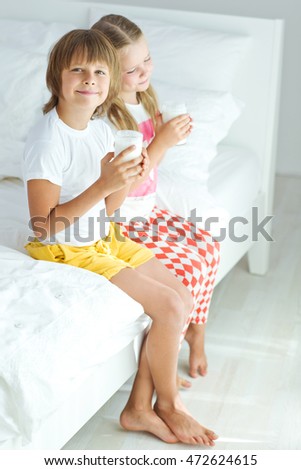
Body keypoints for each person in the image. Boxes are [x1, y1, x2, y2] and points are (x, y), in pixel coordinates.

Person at [23, 29, 218, 446]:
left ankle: (137, 408)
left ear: (109, 82)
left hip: (101, 234)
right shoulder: (47, 139)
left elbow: (110, 209)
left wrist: (127, 175)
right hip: (64, 247)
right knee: (167, 306)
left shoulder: (97, 129)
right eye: (77, 69)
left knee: (181, 294)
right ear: (56, 76)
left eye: (98, 71)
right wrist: (102, 184)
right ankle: (166, 407)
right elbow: (42, 226)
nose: (89, 78)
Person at [91, 15, 221, 382]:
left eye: (147, 59)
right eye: (132, 69)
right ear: (109, 74)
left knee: (207, 246)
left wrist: (166, 131)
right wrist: (161, 142)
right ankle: (170, 349)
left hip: (147, 208)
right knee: (177, 272)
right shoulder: (109, 119)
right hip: (123, 219)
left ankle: (197, 328)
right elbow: (122, 188)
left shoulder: (143, 98)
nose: (144, 72)